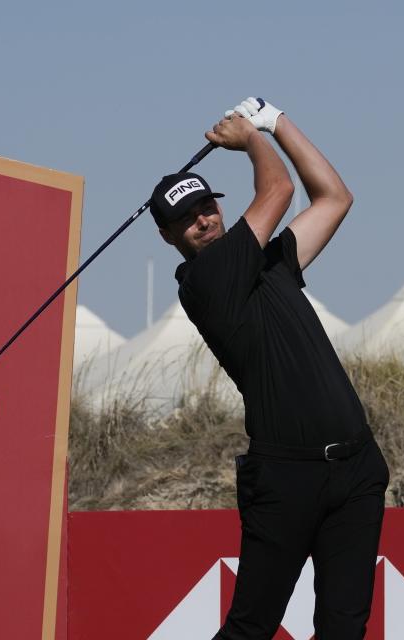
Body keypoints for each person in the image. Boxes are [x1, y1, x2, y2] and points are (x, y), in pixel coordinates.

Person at [149, 98, 390, 639]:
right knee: (251, 627)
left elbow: (334, 196)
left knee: (344, 626)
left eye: (206, 207)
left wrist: (275, 119)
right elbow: (278, 190)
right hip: (286, 478)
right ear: (168, 238)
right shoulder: (206, 281)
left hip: (355, 469)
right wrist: (250, 138)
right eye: (186, 220)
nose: (203, 221)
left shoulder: (267, 263)